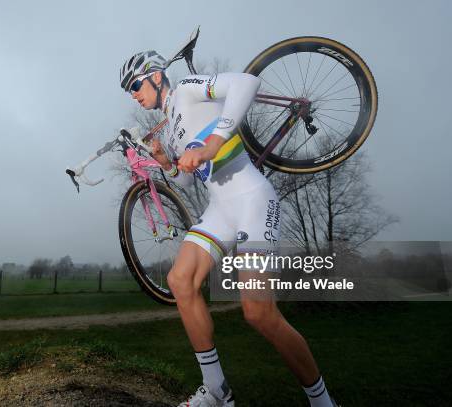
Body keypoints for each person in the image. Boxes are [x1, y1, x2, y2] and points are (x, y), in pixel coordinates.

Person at [120, 51, 337, 407]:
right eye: (128, 91)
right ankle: (218, 391)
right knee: (180, 281)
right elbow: (191, 182)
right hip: (219, 208)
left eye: (135, 85)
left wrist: (215, 141)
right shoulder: (170, 125)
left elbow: (247, 83)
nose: (133, 94)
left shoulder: (188, 89)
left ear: (157, 77)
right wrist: (167, 164)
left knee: (258, 313)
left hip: (251, 198)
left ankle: (323, 402)